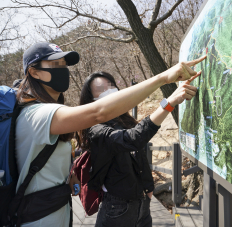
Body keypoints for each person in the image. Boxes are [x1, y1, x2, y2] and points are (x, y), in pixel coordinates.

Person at [15, 41, 205, 227]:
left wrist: (69, 173)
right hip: (41, 217)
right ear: (33, 72)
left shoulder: (117, 119)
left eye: (64, 64)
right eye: (55, 64)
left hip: (61, 212)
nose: (63, 69)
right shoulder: (37, 114)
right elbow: (104, 116)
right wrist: (163, 80)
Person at [75, 71, 199, 227]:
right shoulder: (96, 130)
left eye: (111, 85)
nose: (109, 91)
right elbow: (134, 138)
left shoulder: (123, 119)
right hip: (117, 208)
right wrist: (169, 102)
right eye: (101, 89)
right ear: (91, 101)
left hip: (141, 203)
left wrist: (148, 188)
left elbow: (138, 155)